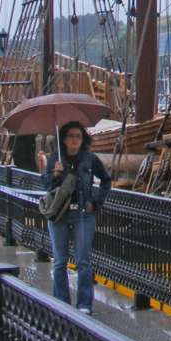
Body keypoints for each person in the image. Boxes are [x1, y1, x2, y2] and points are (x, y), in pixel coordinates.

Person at [41, 120, 112, 313]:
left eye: (78, 136)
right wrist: (55, 173)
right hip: (59, 215)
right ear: (63, 139)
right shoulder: (56, 158)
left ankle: (83, 305)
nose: (74, 140)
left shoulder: (89, 159)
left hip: (82, 214)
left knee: (83, 260)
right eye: (71, 136)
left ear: (83, 140)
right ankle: (61, 303)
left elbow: (106, 180)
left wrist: (95, 202)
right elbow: (45, 185)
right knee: (59, 261)